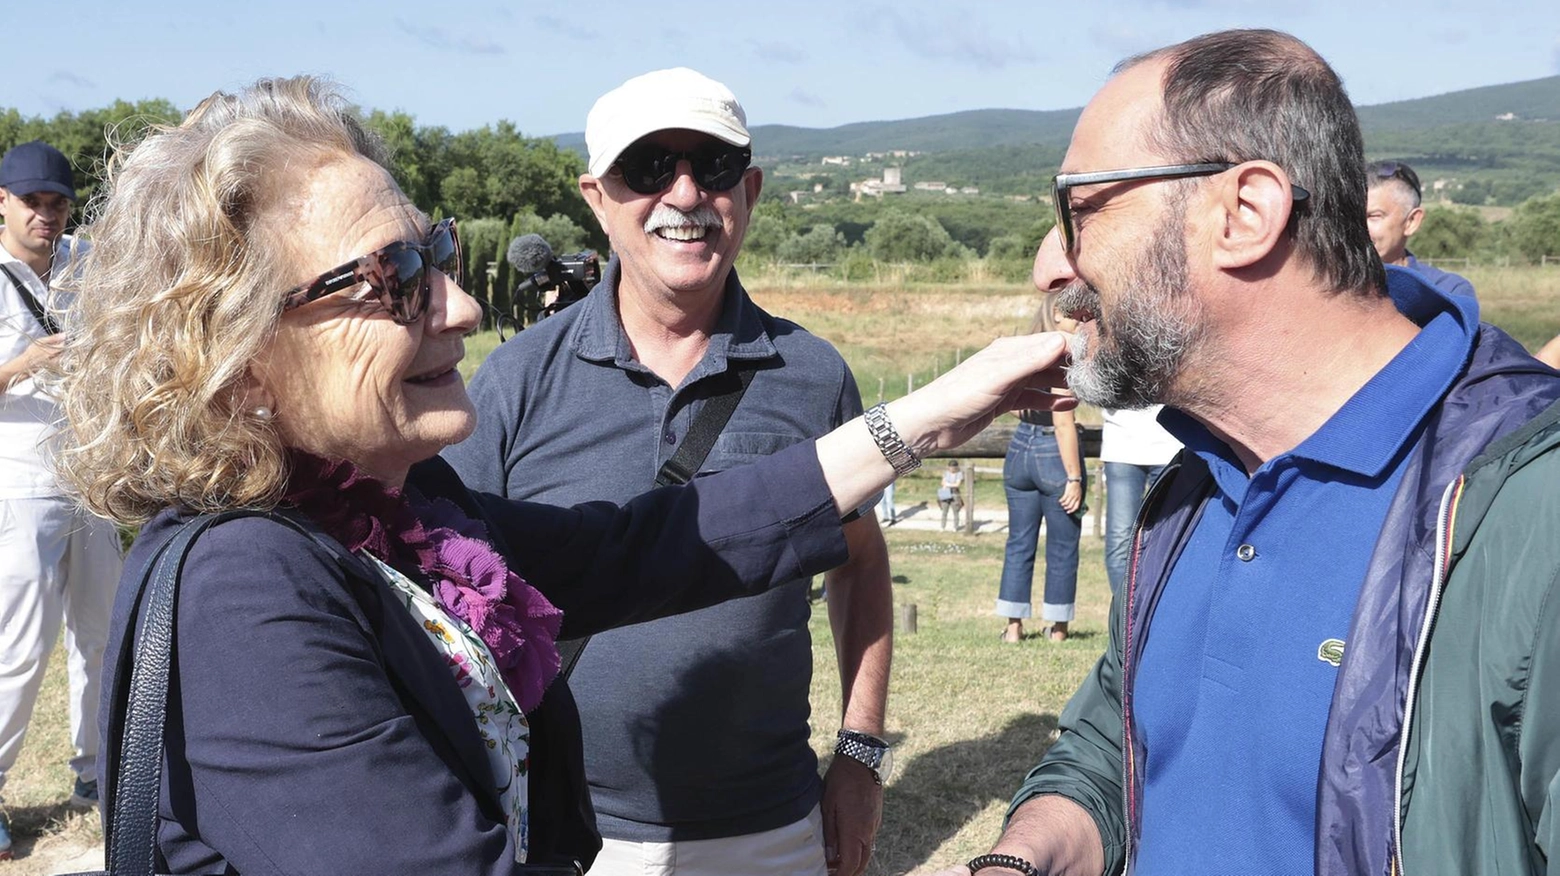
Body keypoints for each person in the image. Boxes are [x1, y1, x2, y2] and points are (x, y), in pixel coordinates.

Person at [51, 77, 1070, 876]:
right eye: (395, 279)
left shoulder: (400, 517)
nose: (457, 309)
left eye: (437, 253)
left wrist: (932, 412)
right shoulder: (247, 594)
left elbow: (643, 545)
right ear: (240, 358)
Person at [940, 29, 1560, 876]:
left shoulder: (1531, 508)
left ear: (1244, 213)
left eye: (1079, 210)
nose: (1051, 265)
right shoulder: (1196, 480)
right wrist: (1024, 857)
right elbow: (1114, 749)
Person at [446, 68, 894, 876]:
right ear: (596, 197)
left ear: (749, 190)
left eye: (713, 167)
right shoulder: (515, 380)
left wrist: (860, 756)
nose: (684, 193)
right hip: (562, 831)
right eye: (649, 168)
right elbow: (443, 602)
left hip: (771, 833)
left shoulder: (814, 376)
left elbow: (859, 567)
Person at [0, 140, 122, 856]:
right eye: (33, 201)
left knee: (102, 638)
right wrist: (20, 365)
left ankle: (96, 774)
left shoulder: (85, 263)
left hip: (91, 476)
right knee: (19, 647)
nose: (47, 214)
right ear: (3, 202)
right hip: (18, 483)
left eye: (58, 202)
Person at [994, 301, 1085, 644]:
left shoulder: (1026, 351)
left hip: (1020, 449)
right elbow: (1063, 421)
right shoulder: (1060, 356)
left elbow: (1011, 404)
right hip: (1053, 452)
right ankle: (1058, 628)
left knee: (1019, 542)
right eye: (1076, 316)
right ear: (1058, 316)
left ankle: (1014, 627)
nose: (1082, 321)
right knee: (1062, 544)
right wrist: (1074, 477)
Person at [1097, 405, 1179, 597]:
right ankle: (1125, 618)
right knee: (1120, 539)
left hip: (1171, 445)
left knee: (1169, 539)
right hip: (1121, 447)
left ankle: (1156, 614)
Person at [1366, 159, 1476, 299]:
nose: (1357, 227)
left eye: (1374, 216)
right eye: (1348, 216)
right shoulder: (1331, 288)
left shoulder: (1445, 292)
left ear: (1411, 221)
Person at [937, 460, 965, 529]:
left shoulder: (959, 474)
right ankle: (942, 526)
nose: (952, 469)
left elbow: (957, 484)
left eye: (953, 467)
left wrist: (948, 484)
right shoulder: (946, 473)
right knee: (944, 510)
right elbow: (943, 482)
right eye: (950, 467)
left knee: (955, 511)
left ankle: (955, 526)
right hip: (946, 492)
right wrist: (949, 484)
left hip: (954, 492)